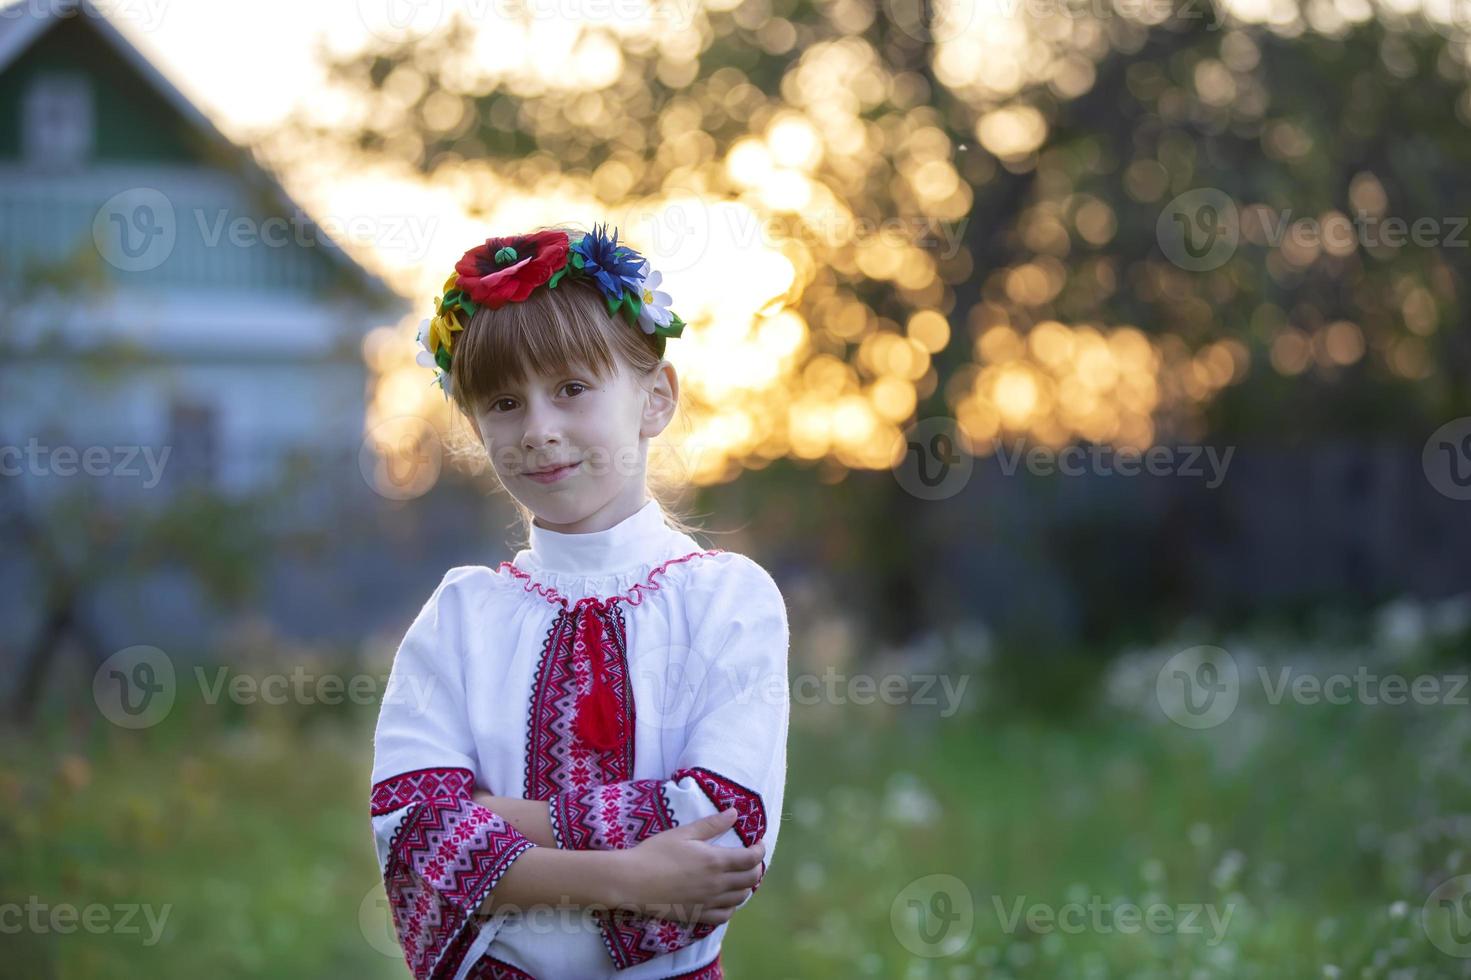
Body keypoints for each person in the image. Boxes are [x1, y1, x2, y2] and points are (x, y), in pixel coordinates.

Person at [370, 224, 790, 980]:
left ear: (654, 398)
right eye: (503, 402)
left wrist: (499, 822)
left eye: (571, 389)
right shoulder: (462, 617)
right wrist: (626, 876)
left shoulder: (724, 600)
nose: (538, 430)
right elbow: (415, 840)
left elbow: (725, 830)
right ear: (474, 425)